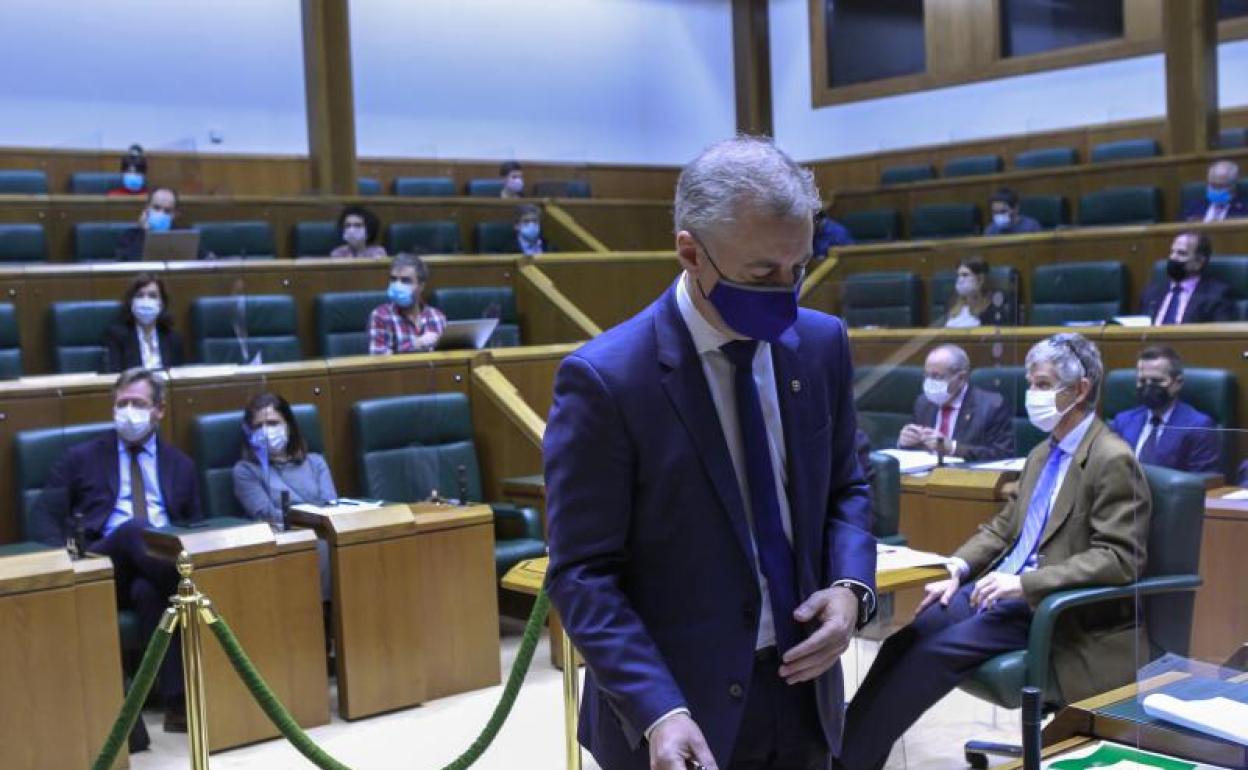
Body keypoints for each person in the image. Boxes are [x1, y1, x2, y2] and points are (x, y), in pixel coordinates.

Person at [545, 136, 876, 770]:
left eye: (798, 269)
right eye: (761, 274)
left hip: (805, 692)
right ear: (691, 252)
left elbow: (847, 487)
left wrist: (851, 589)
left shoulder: (821, 343)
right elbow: (582, 573)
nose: (786, 293)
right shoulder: (607, 380)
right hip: (674, 713)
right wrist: (658, 712)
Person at [840, 333, 1150, 770]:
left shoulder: (1112, 458)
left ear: (1079, 390)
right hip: (998, 591)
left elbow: (1121, 559)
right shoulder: (1043, 452)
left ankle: (846, 763)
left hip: (1048, 608)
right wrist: (957, 565)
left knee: (932, 655)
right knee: (903, 640)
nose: (1032, 394)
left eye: (1042, 384)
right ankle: (843, 754)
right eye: (1031, 382)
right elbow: (1005, 527)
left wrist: (1024, 584)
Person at [28, 368, 202, 732]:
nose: (128, 411)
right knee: (134, 530)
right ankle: (191, 585)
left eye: (137, 403)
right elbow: (43, 514)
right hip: (101, 563)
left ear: (160, 410)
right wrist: (64, 563)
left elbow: (195, 526)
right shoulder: (82, 456)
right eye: (121, 403)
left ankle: (177, 704)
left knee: (147, 590)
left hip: (148, 570)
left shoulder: (181, 465)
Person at [233, 392, 336, 599]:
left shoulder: (316, 462)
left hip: (324, 534)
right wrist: (313, 520)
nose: (266, 431)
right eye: (258, 426)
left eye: (272, 423)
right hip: (283, 542)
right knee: (322, 547)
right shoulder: (245, 471)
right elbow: (268, 515)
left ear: (288, 425)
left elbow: (333, 508)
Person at [1108, 346, 1220, 475]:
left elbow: (1202, 481)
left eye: (1157, 381)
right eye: (1142, 381)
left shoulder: (1198, 426)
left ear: (1178, 383)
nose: (1148, 386)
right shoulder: (1122, 421)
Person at [896, 344, 1014, 462]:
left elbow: (1002, 455)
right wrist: (905, 442)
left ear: (961, 378)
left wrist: (953, 448)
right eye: (926, 375)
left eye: (937, 376)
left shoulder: (991, 406)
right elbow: (918, 451)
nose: (930, 382)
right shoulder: (923, 403)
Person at [1139, 232, 1235, 324]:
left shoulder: (1217, 295)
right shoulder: (1151, 293)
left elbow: (1220, 337)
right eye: (1172, 252)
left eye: (1181, 253)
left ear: (1199, 262)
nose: (1173, 257)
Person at [102, 273, 185, 372]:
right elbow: (115, 376)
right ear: (131, 302)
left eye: (153, 296)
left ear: (162, 303)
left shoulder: (172, 338)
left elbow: (178, 376)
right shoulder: (116, 336)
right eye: (140, 295)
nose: (146, 301)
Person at [367, 253, 447, 355]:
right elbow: (378, 361)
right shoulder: (380, 316)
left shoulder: (437, 316)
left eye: (405, 281)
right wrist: (415, 345)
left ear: (421, 286)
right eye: (393, 279)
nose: (397, 286)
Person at [114, 187, 209, 259]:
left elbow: (207, 259)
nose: (161, 214)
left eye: (167, 211)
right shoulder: (129, 236)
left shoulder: (185, 236)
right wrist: (145, 233)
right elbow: (127, 265)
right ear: (147, 208)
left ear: (174, 215)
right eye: (156, 208)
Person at [943, 256, 1012, 327]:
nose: (960, 280)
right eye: (958, 275)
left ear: (980, 279)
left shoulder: (993, 309)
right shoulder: (952, 304)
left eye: (965, 275)